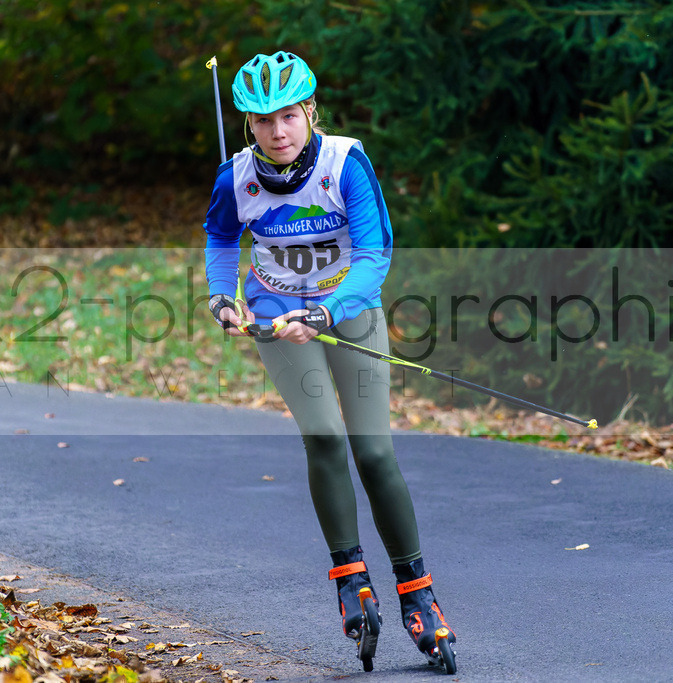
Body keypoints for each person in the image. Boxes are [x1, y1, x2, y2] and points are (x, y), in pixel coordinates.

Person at [203, 50, 456, 667]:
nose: (277, 131)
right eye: (263, 122)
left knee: (371, 448)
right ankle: (350, 578)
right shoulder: (235, 176)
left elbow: (376, 252)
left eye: (288, 116)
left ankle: (417, 592)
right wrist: (221, 296)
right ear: (248, 126)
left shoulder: (346, 163)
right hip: (273, 314)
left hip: (350, 310)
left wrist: (327, 310)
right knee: (322, 437)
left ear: (309, 110)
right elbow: (221, 235)